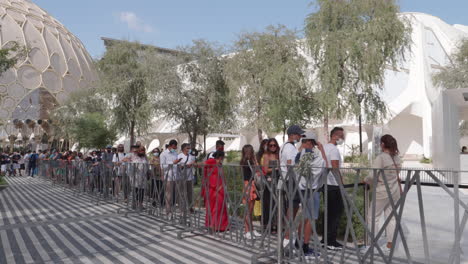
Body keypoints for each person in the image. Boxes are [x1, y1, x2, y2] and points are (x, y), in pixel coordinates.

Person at [363, 134, 403, 253]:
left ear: (383, 144)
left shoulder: (381, 158)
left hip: (382, 190)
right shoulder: (397, 158)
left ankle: (372, 244)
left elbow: (372, 175)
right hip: (394, 191)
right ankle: (390, 244)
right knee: (391, 217)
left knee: (373, 217)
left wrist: (365, 180)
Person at [295, 131, 328, 258]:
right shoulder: (315, 156)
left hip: (301, 189)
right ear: (311, 142)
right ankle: (305, 246)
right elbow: (325, 166)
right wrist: (322, 150)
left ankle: (298, 242)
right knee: (311, 219)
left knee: (304, 216)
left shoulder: (299, 155)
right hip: (312, 190)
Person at [280, 125, 305, 249]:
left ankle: (288, 235)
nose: (300, 137)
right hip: (292, 181)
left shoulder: (288, 146)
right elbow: (292, 165)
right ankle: (287, 237)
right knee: (292, 208)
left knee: (292, 208)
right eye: (298, 134)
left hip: (290, 180)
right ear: (292, 135)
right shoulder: (289, 148)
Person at [322, 127, 345, 250]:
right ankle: (330, 241)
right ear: (335, 136)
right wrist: (341, 185)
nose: (343, 138)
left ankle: (325, 239)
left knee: (329, 212)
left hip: (325, 184)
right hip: (334, 185)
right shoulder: (334, 150)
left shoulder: (324, 148)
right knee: (336, 213)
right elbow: (335, 168)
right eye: (342, 135)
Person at [202, 151, 229, 232]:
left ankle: (219, 226)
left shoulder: (219, 164)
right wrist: (194, 164)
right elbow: (203, 164)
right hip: (214, 189)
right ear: (220, 157)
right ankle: (213, 225)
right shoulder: (212, 161)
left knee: (218, 207)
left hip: (219, 188)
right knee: (216, 207)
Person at [240, 144, 261, 239]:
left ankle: (251, 229)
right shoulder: (246, 161)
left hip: (252, 184)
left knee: (251, 209)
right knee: (248, 209)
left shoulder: (250, 161)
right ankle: (246, 230)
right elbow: (256, 170)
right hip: (248, 184)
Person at [261, 138, 281, 234]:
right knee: (269, 203)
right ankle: (268, 225)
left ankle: (276, 224)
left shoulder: (278, 155)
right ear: (268, 146)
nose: (273, 147)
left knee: (278, 204)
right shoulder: (266, 155)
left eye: (274, 145)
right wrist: (276, 168)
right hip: (269, 181)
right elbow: (265, 170)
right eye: (271, 145)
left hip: (278, 180)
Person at [160, 140, 182, 214]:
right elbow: (162, 166)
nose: (175, 148)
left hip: (176, 176)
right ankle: (167, 208)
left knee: (175, 193)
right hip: (168, 176)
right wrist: (172, 163)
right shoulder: (163, 154)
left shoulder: (175, 153)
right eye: (175, 146)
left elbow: (176, 164)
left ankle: (174, 207)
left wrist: (179, 164)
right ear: (172, 145)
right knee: (168, 193)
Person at [178, 144, 196, 214]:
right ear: (183, 149)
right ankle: (182, 208)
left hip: (190, 177)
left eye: (189, 148)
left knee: (190, 193)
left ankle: (190, 207)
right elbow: (178, 166)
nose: (189, 150)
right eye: (187, 148)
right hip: (182, 177)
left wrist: (192, 164)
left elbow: (194, 164)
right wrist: (184, 166)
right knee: (182, 193)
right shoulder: (179, 156)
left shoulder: (191, 156)